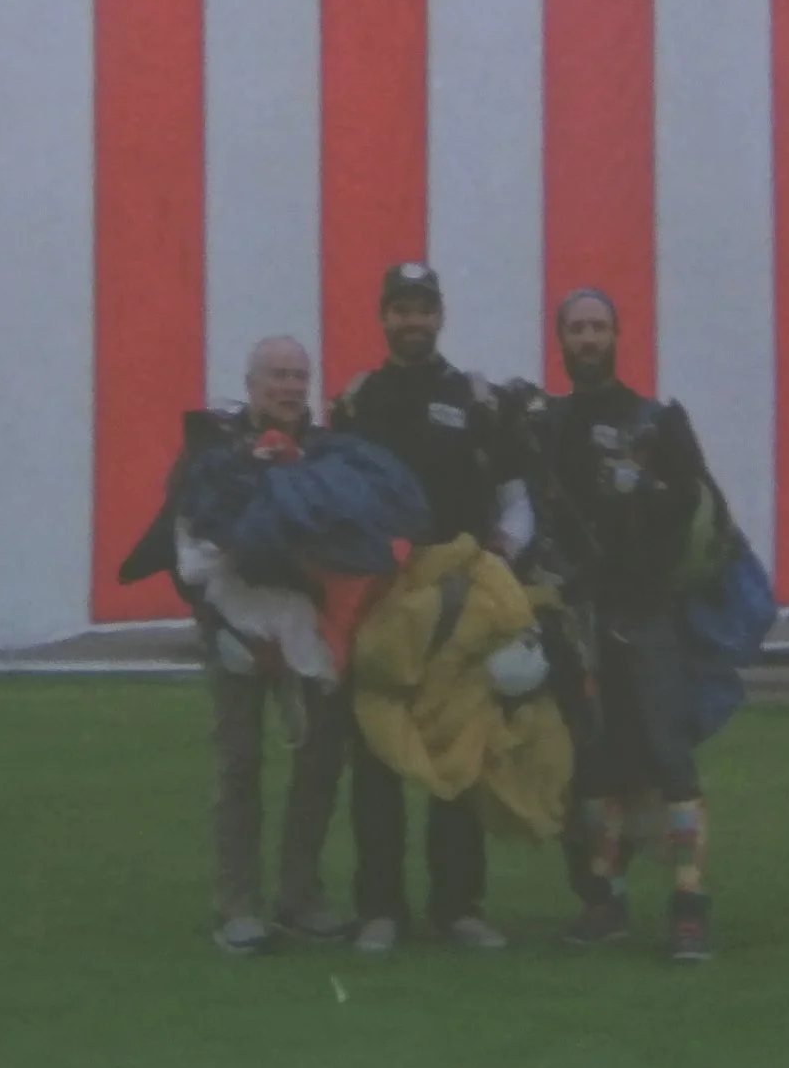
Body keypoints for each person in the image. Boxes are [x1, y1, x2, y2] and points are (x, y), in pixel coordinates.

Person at [117, 335, 353, 956]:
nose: (288, 385)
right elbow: (185, 546)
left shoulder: (326, 453)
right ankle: (237, 905)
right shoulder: (211, 455)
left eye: (298, 375)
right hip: (233, 625)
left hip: (309, 627)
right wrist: (224, 632)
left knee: (320, 763)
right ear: (251, 384)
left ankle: (301, 896)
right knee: (240, 761)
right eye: (276, 374)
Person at [327, 262, 538, 956]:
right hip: (382, 601)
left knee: (459, 753)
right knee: (378, 759)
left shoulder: (476, 397)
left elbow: (516, 496)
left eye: (424, 308)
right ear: (383, 317)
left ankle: (458, 908)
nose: (413, 320)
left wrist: (498, 562)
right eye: (401, 309)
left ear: (441, 316)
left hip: (459, 602)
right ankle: (380, 909)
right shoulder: (357, 400)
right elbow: (329, 499)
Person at [525, 288, 732, 964]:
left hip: (647, 613)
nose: (588, 338)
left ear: (617, 335)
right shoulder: (546, 424)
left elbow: (704, 511)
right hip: (578, 617)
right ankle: (606, 898)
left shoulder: (658, 420)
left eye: (598, 326)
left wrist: (647, 492)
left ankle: (690, 906)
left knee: (670, 757)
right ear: (560, 340)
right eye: (576, 328)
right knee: (600, 767)